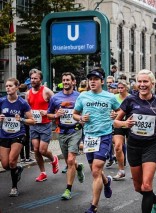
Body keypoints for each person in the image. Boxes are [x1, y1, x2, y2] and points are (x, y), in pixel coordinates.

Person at [114, 69, 156, 213]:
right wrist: (124, 124)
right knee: (138, 187)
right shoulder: (130, 100)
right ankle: (155, 199)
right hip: (134, 146)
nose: (142, 84)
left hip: (151, 145)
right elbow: (116, 122)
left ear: (152, 83)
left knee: (146, 185)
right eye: (139, 81)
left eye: (145, 81)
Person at [73, 68, 120, 213]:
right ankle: (107, 182)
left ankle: (93, 206)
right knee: (95, 170)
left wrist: (115, 114)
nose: (92, 81)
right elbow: (75, 114)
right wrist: (80, 118)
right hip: (89, 136)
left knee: (96, 170)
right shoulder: (83, 96)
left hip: (105, 135)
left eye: (95, 79)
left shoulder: (110, 97)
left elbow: (119, 111)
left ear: (102, 81)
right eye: (90, 79)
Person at [47, 72, 85, 200]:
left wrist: (82, 121)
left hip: (75, 131)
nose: (66, 82)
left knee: (70, 160)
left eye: (68, 80)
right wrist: (56, 115)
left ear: (73, 82)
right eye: (64, 80)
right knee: (70, 161)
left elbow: (84, 114)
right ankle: (78, 167)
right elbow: (48, 115)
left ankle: (68, 189)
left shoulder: (80, 97)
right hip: (62, 132)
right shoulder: (55, 98)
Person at [0, 78, 35, 196]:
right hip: (4, 134)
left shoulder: (22, 103)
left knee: (11, 161)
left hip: (18, 134)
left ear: (16, 87)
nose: (8, 88)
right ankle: (18, 169)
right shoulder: (1, 101)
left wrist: (22, 119)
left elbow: (32, 121)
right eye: (6, 86)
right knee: (5, 165)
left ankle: (14, 187)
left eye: (10, 86)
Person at [25, 69, 59, 181]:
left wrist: (48, 112)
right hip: (34, 125)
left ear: (40, 79)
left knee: (43, 150)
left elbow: (56, 104)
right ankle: (43, 172)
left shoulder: (47, 91)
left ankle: (54, 159)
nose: (33, 80)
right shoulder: (28, 93)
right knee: (36, 149)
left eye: (35, 78)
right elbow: (27, 108)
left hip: (45, 124)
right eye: (32, 78)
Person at [112, 80, 130, 181]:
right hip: (118, 124)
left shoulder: (131, 98)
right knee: (118, 147)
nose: (120, 90)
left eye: (122, 88)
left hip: (129, 125)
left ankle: (135, 169)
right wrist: (113, 114)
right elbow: (111, 109)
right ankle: (121, 170)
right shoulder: (114, 97)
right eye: (118, 88)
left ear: (126, 88)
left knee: (132, 149)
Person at [18, 84, 34, 163]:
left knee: (20, 138)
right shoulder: (28, 96)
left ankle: (21, 157)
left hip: (19, 119)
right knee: (27, 139)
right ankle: (27, 157)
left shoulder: (17, 97)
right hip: (27, 119)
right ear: (27, 89)